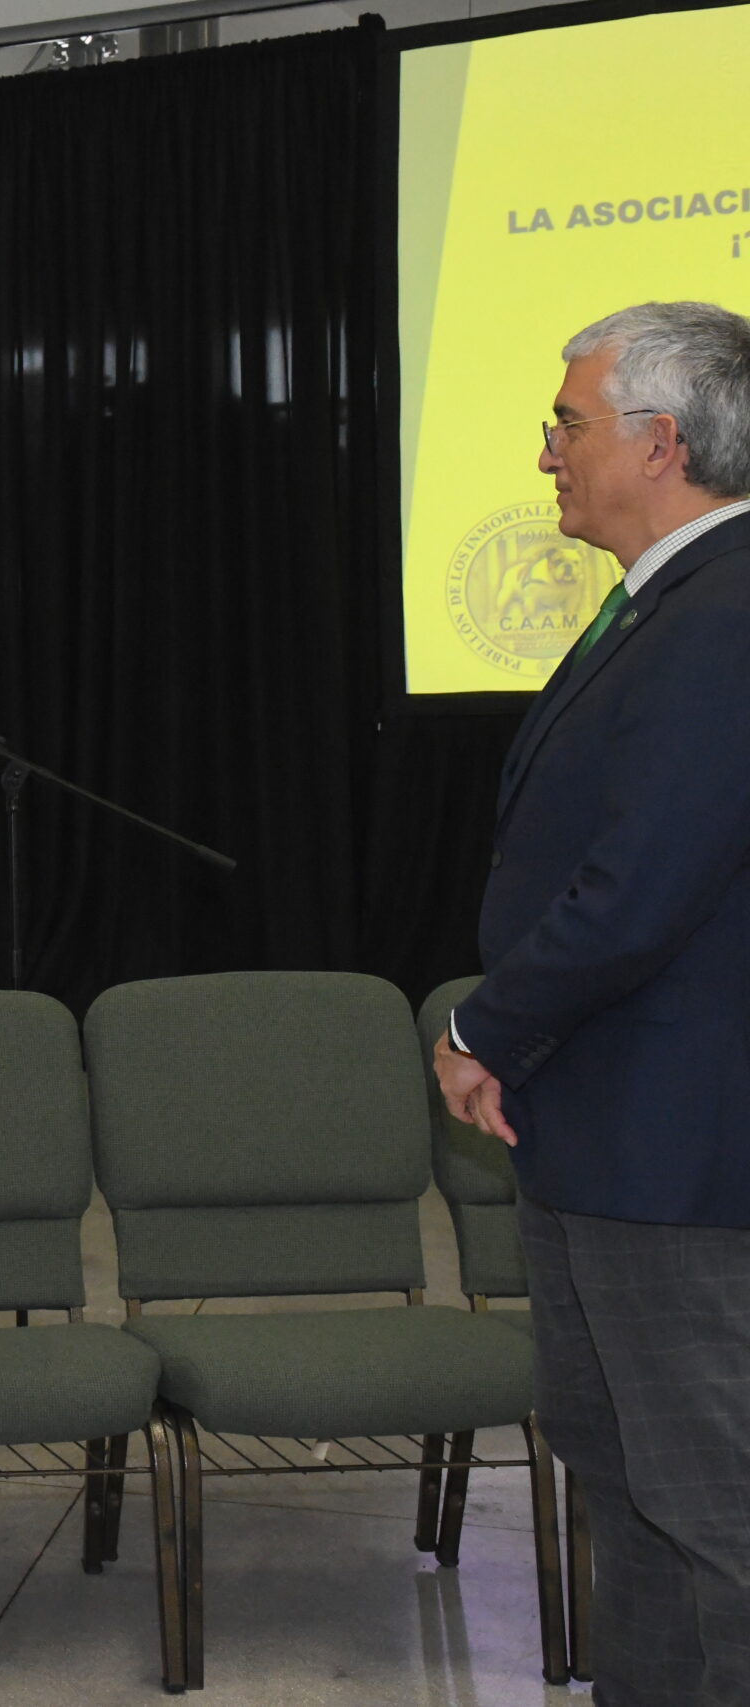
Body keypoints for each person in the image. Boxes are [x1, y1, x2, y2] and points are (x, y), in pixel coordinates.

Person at [434, 301, 750, 1707]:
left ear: (660, 441)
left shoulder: (724, 611)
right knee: (627, 1488)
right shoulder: (672, 602)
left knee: (711, 1509)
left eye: (567, 423)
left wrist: (483, 1027)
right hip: (609, 1135)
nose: (545, 452)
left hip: (679, 1158)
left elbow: (642, 883)